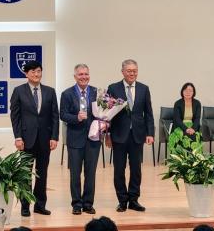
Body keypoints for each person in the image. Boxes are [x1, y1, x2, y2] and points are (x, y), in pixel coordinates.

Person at [10, 60, 59, 217]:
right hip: (26, 139)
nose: (36, 74)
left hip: (45, 139)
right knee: (25, 174)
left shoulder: (50, 91)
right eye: (33, 72)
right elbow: (15, 117)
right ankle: (25, 206)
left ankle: (40, 205)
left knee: (42, 173)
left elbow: (55, 117)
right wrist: (18, 137)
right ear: (26, 74)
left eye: (39, 71)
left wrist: (54, 137)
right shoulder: (18, 91)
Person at [105, 59, 154, 212]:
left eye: (134, 70)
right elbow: (107, 114)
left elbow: (149, 113)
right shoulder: (113, 88)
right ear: (122, 72)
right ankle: (122, 200)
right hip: (118, 135)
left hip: (137, 135)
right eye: (129, 71)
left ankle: (134, 200)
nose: (132, 73)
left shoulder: (144, 89)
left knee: (136, 170)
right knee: (119, 170)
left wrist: (150, 133)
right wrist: (107, 135)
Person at [60, 64, 100, 215]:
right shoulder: (67, 94)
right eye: (80, 74)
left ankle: (88, 204)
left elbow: (104, 112)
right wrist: (76, 117)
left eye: (86, 74)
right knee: (75, 174)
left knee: (91, 173)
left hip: (93, 139)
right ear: (75, 76)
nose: (84, 77)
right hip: (75, 139)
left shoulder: (97, 92)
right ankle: (76, 204)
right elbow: (62, 115)